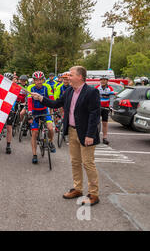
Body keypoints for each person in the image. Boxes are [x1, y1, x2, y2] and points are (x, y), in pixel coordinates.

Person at [31, 66, 101, 206]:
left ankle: (93, 194)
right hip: (72, 131)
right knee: (75, 162)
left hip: (86, 133)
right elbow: (56, 103)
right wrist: (40, 98)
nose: (68, 77)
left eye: (71, 74)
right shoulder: (69, 90)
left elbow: (94, 115)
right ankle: (78, 189)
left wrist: (90, 135)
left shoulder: (91, 92)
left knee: (88, 164)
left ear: (80, 77)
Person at [27, 71, 56, 165]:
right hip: (34, 112)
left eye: (40, 80)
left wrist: (54, 110)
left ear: (43, 79)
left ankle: (51, 142)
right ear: (34, 81)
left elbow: (51, 100)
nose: (39, 82)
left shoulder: (47, 87)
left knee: (51, 129)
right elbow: (29, 101)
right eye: (36, 80)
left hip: (44, 110)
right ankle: (34, 155)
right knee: (34, 133)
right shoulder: (30, 87)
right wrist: (30, 113)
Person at [95, 76, 114, 145]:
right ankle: (95, 136)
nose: (103, 81)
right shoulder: (97, 87)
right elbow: (93, 97)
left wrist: (111, 107)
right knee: (96, 122)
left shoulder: (110, 88)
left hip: (105, 108)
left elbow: (111, 99)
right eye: (101, 80)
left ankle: (104, 138)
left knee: (105, 123)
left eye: (104, 80)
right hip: (97, 107)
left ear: (107, 81)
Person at [3, 73, 16, 154]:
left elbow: (14, 100)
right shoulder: (0, 86)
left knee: (8, 127)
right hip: (1, 109)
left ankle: (8, 145)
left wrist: (11, 108)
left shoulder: (14, 88)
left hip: (9, 109)